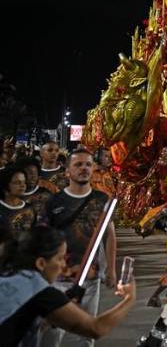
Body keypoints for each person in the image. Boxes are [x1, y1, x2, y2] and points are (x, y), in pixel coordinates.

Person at [0, 225, 135, 346]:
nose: (64, 265)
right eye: (60, 259)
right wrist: (129, 298)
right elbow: (96, 328)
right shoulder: (39, 291)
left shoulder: (9, 275)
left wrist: (59, 307)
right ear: (41, 263)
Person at [41, 149, 116, 347]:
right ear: (67, 172)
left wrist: (111, 268)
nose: (84, 168)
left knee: (87, 333)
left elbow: (109, 235)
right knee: (51, 335)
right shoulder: (54, 202)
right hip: (58, 280)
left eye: (88, 165)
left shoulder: (102, 199)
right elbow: (43, 239)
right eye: (78, 165)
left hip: (90, 280)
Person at [0, 167, 37, 237]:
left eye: (24, 182)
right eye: (17, 182)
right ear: (5, 184)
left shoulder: (30, 208)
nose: (23, 185)